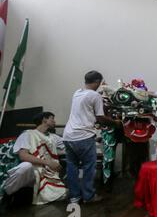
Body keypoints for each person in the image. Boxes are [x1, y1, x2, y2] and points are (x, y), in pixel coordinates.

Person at [63, 70, 121, 204]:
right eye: (99, 83)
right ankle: (89, 196)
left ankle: (75, 197)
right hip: (83, 136)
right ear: (96, 82)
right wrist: (116, 123)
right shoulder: (95, 96)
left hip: (68, 136)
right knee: (89, 167)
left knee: (72, 168)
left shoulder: (77, 93)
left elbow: (87, 106)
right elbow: (100, 118)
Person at [2, 112, 66, 208]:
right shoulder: (28, 134)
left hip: (45, 172)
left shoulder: (54, 137)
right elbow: (23, 156)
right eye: (52, 118)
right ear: (44, 119)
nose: (54, 121)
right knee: (26, 166)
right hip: (30, 170)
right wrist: (48, 162)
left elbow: (68, 146)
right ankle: (5, 194)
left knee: (62, 194)